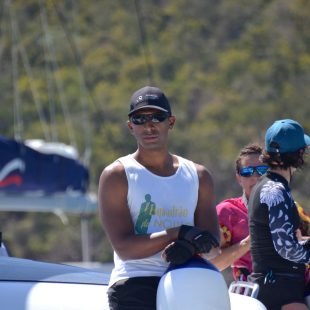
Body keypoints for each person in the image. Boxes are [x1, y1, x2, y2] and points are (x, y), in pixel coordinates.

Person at [98, 86, 220, 310]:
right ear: (130, 126)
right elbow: (124, 248)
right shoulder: (116, 175)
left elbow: (213, 246)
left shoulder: (199, 176)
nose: (149, 125)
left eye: (157, 117)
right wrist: (178, 233)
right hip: (136, 282)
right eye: (140, 119)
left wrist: (190, 248)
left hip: (189, 279)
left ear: (170, 122)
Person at [248, 119, 310, 310]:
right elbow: (285, 248)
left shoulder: (265, 184)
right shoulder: (275, 190)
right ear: (299, 153)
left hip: (272, 283)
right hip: (281, 288)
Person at [211, 143, 268, 281]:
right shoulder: (227, 212)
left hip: (293, 286)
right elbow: (212, 263)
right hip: (250, 292)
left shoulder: (290, 208)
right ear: (238, 178)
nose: (255, 177)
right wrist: (248, 241)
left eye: (261, 170)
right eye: (247, 172)